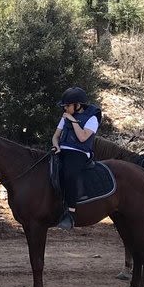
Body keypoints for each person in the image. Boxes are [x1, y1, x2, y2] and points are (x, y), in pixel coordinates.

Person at [51, 87, 102, 231]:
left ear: (78, 105)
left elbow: (83, 137)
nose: (65, 108)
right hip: (63, 150)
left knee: (69, 174)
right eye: (65, 106)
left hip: (79, 152)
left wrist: (73, 120)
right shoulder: (65, 116)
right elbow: (55, 136)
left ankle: (71, 213)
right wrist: (56, 146)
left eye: (67, 106)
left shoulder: (92, 118)